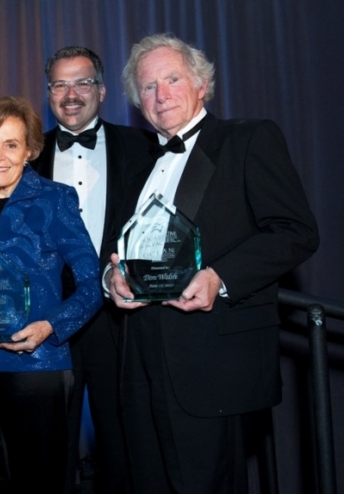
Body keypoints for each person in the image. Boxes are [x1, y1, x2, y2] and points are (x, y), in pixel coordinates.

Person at [103, 33, 319, 493]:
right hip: (139, 362)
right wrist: (111, 277)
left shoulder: (248, 138)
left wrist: (219, 278)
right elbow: (115, 247)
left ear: (202, 85)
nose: (160, 95)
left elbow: (295, 231)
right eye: (147, 87)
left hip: (211, 362)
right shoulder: (138, 166)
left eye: (172, 79)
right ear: (137, 102)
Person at [0, 96, 103, 493]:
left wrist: (50, 326)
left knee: (39, 481)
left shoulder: (55, 200)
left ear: (29, 150)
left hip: (37, 366)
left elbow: (92, 283)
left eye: (11, 144)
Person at [30, 46, 155, 494]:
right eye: (60, 84)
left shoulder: (143, 147)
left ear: (102, 91)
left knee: (125, 436)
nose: (70, 94)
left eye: (82, 82)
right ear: (48, 93)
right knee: (49, 441)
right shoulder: (28, 156)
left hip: (120, 315)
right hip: (50, 318)